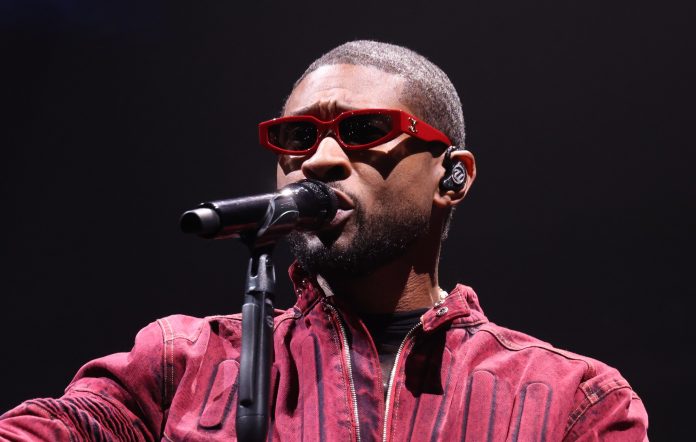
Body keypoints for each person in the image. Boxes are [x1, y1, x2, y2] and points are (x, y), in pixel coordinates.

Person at [0, 40, 648, 441]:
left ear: (452, 177)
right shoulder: (181, 364)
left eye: (365, 128)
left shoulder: (574, 401)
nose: (319, 160)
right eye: (295, 138)